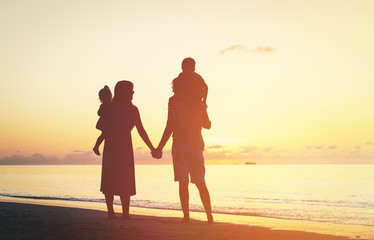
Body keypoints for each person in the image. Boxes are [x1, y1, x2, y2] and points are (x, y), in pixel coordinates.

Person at [153, 58, 213, 224]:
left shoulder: (174, 100)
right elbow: (207, 125)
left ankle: (186, 217)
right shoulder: (199, 102)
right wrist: (204, 105)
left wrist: (158, 148)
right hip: (195, 145)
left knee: (183, 182)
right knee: (201, 183)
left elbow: (169, 126)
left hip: (179, 145)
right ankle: (210, 217)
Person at [100, 80, 155, 219]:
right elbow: (141, 131)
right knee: (124, 178)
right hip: (123, 146)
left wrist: (153, 148)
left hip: (112, 145)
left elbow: (141, 131)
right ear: (124, 92)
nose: (133, 93)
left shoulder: (112, 107)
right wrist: (153, 148)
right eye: (131, 90)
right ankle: (124, 214)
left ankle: (112, 213)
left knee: (111, 177)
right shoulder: (131, 109)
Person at [93, 85, 112, 156]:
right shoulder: (104, 105)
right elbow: (99, 113)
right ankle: (96, 146)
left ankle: (96, 146)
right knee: (104, 134)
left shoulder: (110, 103)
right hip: (104, 123)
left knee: (104, 135)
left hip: (106, 123)